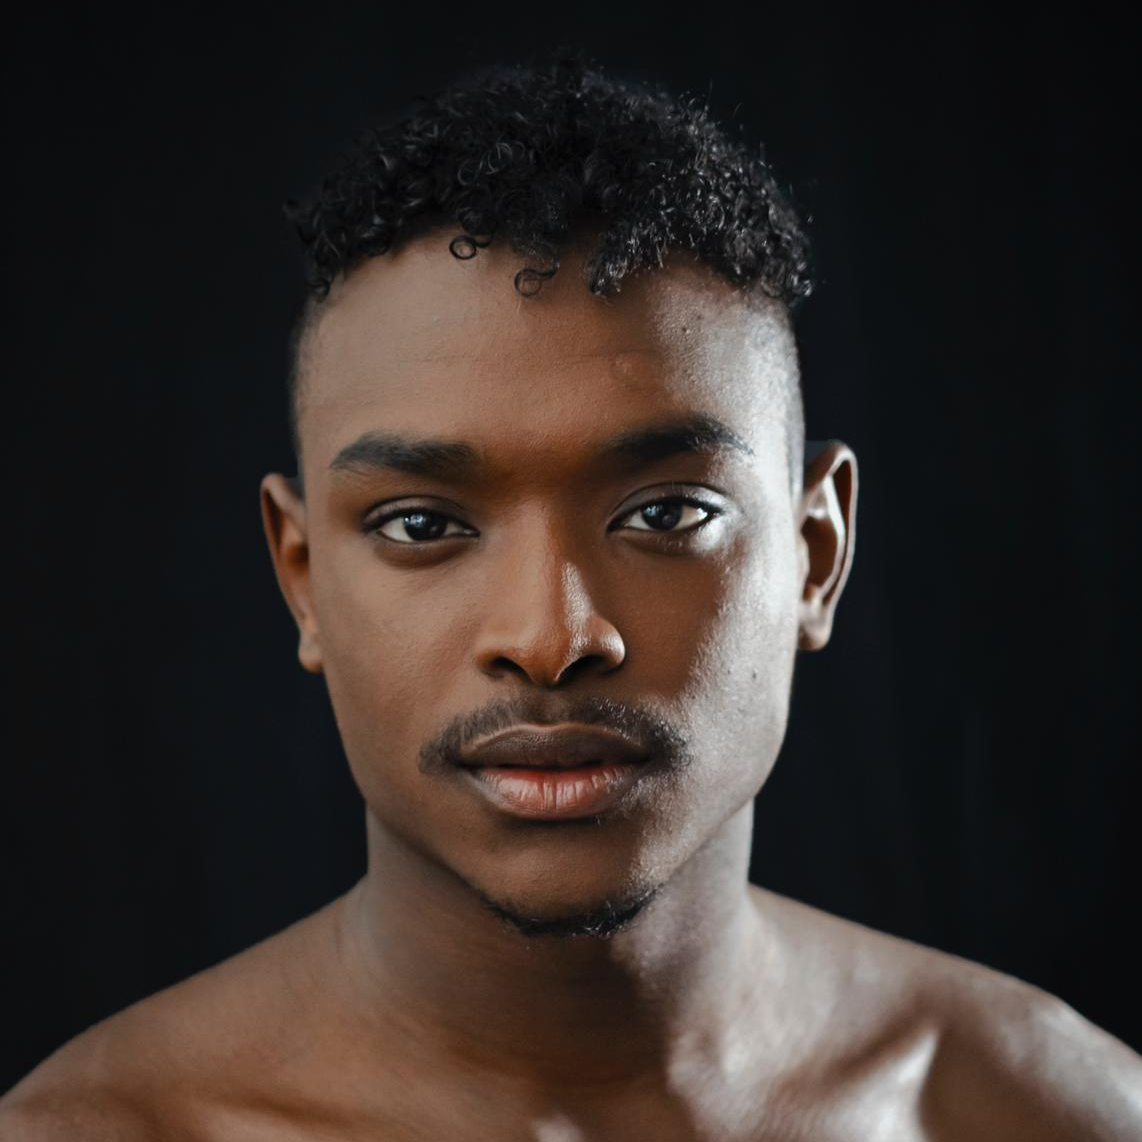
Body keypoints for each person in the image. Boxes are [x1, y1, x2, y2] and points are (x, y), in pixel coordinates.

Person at [3, 57, 1139, 1142]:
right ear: (301, 575)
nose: (549, 639)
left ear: (815, 551)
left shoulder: (1050, 1109)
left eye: (664, 513)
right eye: (421, 523)